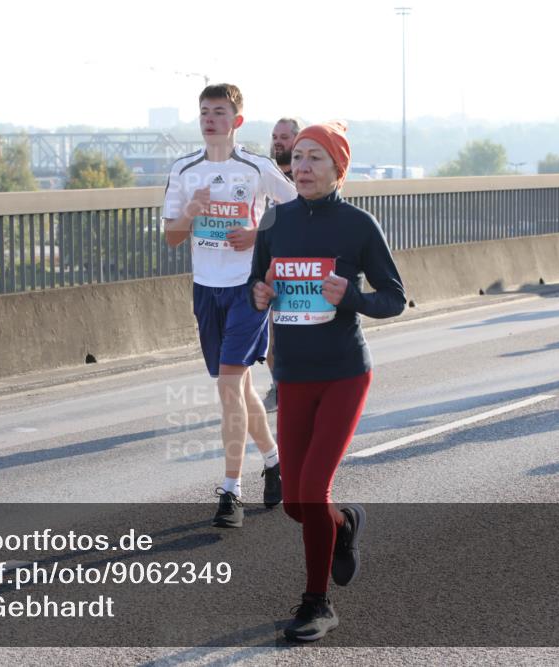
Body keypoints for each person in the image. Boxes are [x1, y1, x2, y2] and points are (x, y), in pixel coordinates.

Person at [249, 121, 406, 641]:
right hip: (292, 374)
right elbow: (259, 282)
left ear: (339, 168)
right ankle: (345, 524)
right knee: (294, 503)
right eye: (297, 157)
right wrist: (261, 295)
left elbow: (393, 297)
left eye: (316, 157)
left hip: (343, 373)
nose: (304, 167)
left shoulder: (359, 225)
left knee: (313, 491)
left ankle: (317, 603)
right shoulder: (275, 220)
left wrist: (353, 298)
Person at [163, 84, 297, 527]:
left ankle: (230, 491)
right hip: (206, 289)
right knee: (237, 388)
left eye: (219, 111)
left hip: (247, 288)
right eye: (204, 111)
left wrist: (259, 237)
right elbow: (172, 235)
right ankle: (275, 462)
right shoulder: (184, 169)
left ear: (236, 121)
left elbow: (297, 210)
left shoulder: (255, 166)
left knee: (228, 386)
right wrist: (191, 212)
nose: (210, 118)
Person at [261, 117, 302, 412]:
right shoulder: (264, 173)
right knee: (274, 336)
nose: (278, 141)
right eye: (275, 136)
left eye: (284, 137)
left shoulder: (308, 174)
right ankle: (280, 386)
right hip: (274, 265)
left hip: (305, 267)